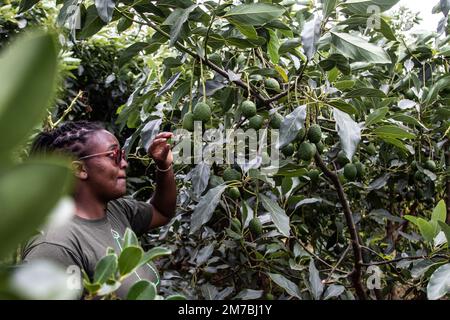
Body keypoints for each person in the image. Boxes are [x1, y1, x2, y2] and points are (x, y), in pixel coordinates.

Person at [21, 121, 176, 299]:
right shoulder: (54, 245)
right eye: (114, 155)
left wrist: (164, 166)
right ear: (79, 169)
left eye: (122, 154)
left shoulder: (115, 209)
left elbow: (161, 211)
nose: (124, 163)